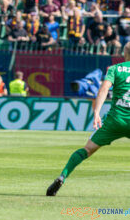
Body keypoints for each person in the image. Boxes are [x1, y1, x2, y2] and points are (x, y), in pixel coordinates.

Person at [47, 42, 130, 196]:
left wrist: (97, 112)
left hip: (115, 120)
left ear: (124, 54)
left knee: (87, 150)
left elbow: (104, 88)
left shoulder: (115, 69)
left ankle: (63, 176)